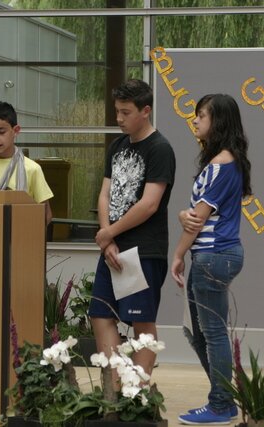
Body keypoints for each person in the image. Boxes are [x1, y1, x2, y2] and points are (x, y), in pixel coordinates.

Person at [171, 94, 251, 425]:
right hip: (212, 255)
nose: (195, 120)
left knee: (212, 333)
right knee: (199, 332)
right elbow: (192, 215)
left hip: (213, 255)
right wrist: (184, 214)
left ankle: (221, 404)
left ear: (218, 122)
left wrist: (177, 254)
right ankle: (223, 399)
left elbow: (197, 220)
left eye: (201, 115)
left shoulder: (220, 166)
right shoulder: (225, 163)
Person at [89, 79, 176, 377]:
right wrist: (106, 237)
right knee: (100, 314)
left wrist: (110, 233)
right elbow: (105, 194)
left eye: (126, 112)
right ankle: (114, 385)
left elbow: (149, 204)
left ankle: (137, 392)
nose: (119, 118)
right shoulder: (117, 146)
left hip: (143, 250)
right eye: (117, 111)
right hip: (112, 248)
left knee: (142, 322)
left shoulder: (160, 148)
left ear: (145, 111)